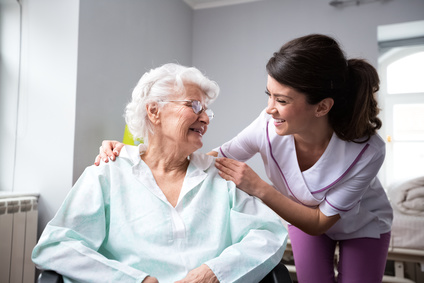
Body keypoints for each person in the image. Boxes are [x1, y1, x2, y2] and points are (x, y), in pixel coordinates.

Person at [96, 34, 393, 283]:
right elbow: (213, 160)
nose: (269, 109)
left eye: (282, 100)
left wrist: (258, 187)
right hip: (300, 219)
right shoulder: (267, 126)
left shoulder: (367, 151)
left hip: (360, 225)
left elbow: (318, 222)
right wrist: (137, 155)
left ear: (321, 107)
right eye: (269, 95)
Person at [32, 63, 288, 283]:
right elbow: (57, 246)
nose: (206, 119)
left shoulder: (221, 176)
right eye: (195, 105)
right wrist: (135, 280)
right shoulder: (107, 174)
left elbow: (269, 234)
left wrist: (212, 273)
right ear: (154, 111)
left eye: (207, 111)